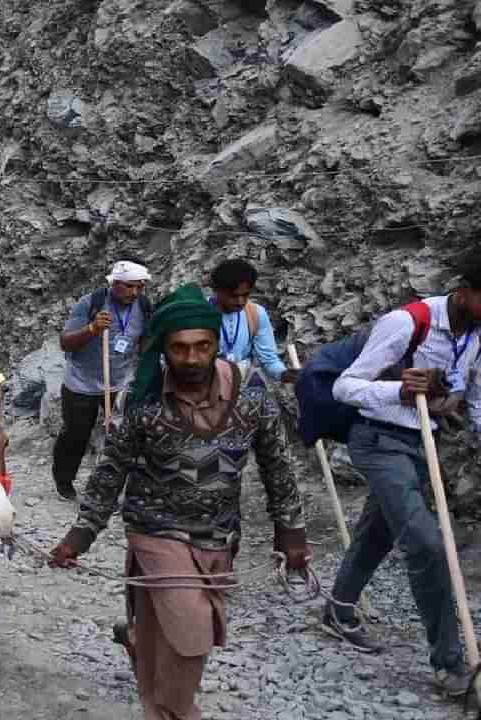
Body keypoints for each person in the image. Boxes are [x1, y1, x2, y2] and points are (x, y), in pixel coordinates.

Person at [48, 284, 308, 720]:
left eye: (202, 346)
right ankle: (174, 711)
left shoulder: (252, 396)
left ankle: (139, 649)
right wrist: (82, 533)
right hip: (156, 528)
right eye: (180, 348)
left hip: (220, 535)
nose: (191, 358)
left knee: (162, 628)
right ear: (164, 350)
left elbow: (277, 466)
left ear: (214, 343)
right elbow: (112, 467)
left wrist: (291, 531)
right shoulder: (145, 399)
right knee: (192, 630)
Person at [321, 256, 481, 697]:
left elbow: (475, 402)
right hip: (377, 438)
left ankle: (338, 608)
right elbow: (345, 386)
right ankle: (450, 665)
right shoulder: (407, 322)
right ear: (465, 291)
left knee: (380, 530)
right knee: (427, 544)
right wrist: (399, 389)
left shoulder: (477, 334)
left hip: (419, 444)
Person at [51, 259, 152, 501]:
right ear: (115, 283)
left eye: (140, 287)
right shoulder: (91, 303)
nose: (135, 293)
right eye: (129, 287)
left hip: (119, 383)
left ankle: (112, 487)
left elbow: (143, 342)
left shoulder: (144, 305)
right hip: (81, 383)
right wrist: (92, 330)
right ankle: (64, 481)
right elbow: (65, 342)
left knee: (121, 436)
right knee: (75, 436)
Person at [208, 259, 296, 383]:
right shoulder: (199, 313)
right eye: (233, 296)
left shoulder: (256, 314)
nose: (240, 301)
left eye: (245, 295)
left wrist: (284, 374)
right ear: (217, 290)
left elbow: (269, 360)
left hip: (238, 385)